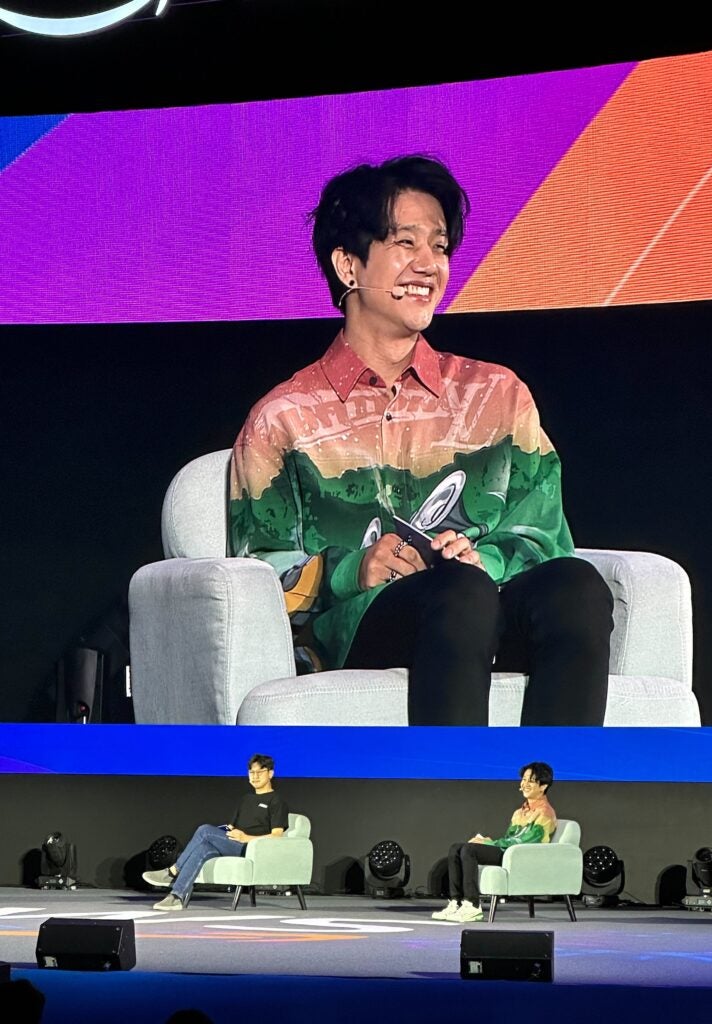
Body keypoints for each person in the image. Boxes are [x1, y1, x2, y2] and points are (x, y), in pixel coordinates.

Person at [230, 154, 614, 725]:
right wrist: (352, 569)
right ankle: (453, 786)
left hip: (487, 604)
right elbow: (257, 574)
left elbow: (546, 538)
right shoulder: (282, 419)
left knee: (575, 586)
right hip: (365, 626)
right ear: (348, 265)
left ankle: (553, 783)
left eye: (440, 246)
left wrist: (482, 558)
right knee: (460, 595)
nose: (429, 265)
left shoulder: (497, 395)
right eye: (405, 243)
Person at [143, 753, 289, 911]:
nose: (255, 776)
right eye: (251, 772)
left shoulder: (276, 800)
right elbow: (231, 827)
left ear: (270, 773)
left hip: (251, 848)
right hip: (232, 843)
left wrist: (247, 838)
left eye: (260, 772)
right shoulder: (246, 799)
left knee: (204, 830)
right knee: (202, 848)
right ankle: (176, 897)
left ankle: (172, 871)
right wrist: (225, 831)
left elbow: (277, 835)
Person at [432, 761, 557, 923]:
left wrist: (489, 844)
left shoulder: (545, 812)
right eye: (524, 779)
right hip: (509, 852)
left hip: (520, 857)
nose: (525, 784)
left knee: (469, 850)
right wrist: (487, 841)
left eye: (531, 781)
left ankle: (472, 905)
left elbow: (526, 841)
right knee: (456, 848)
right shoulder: (519, 812)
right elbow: (509, 838)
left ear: (543, 786)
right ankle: (456, 902)